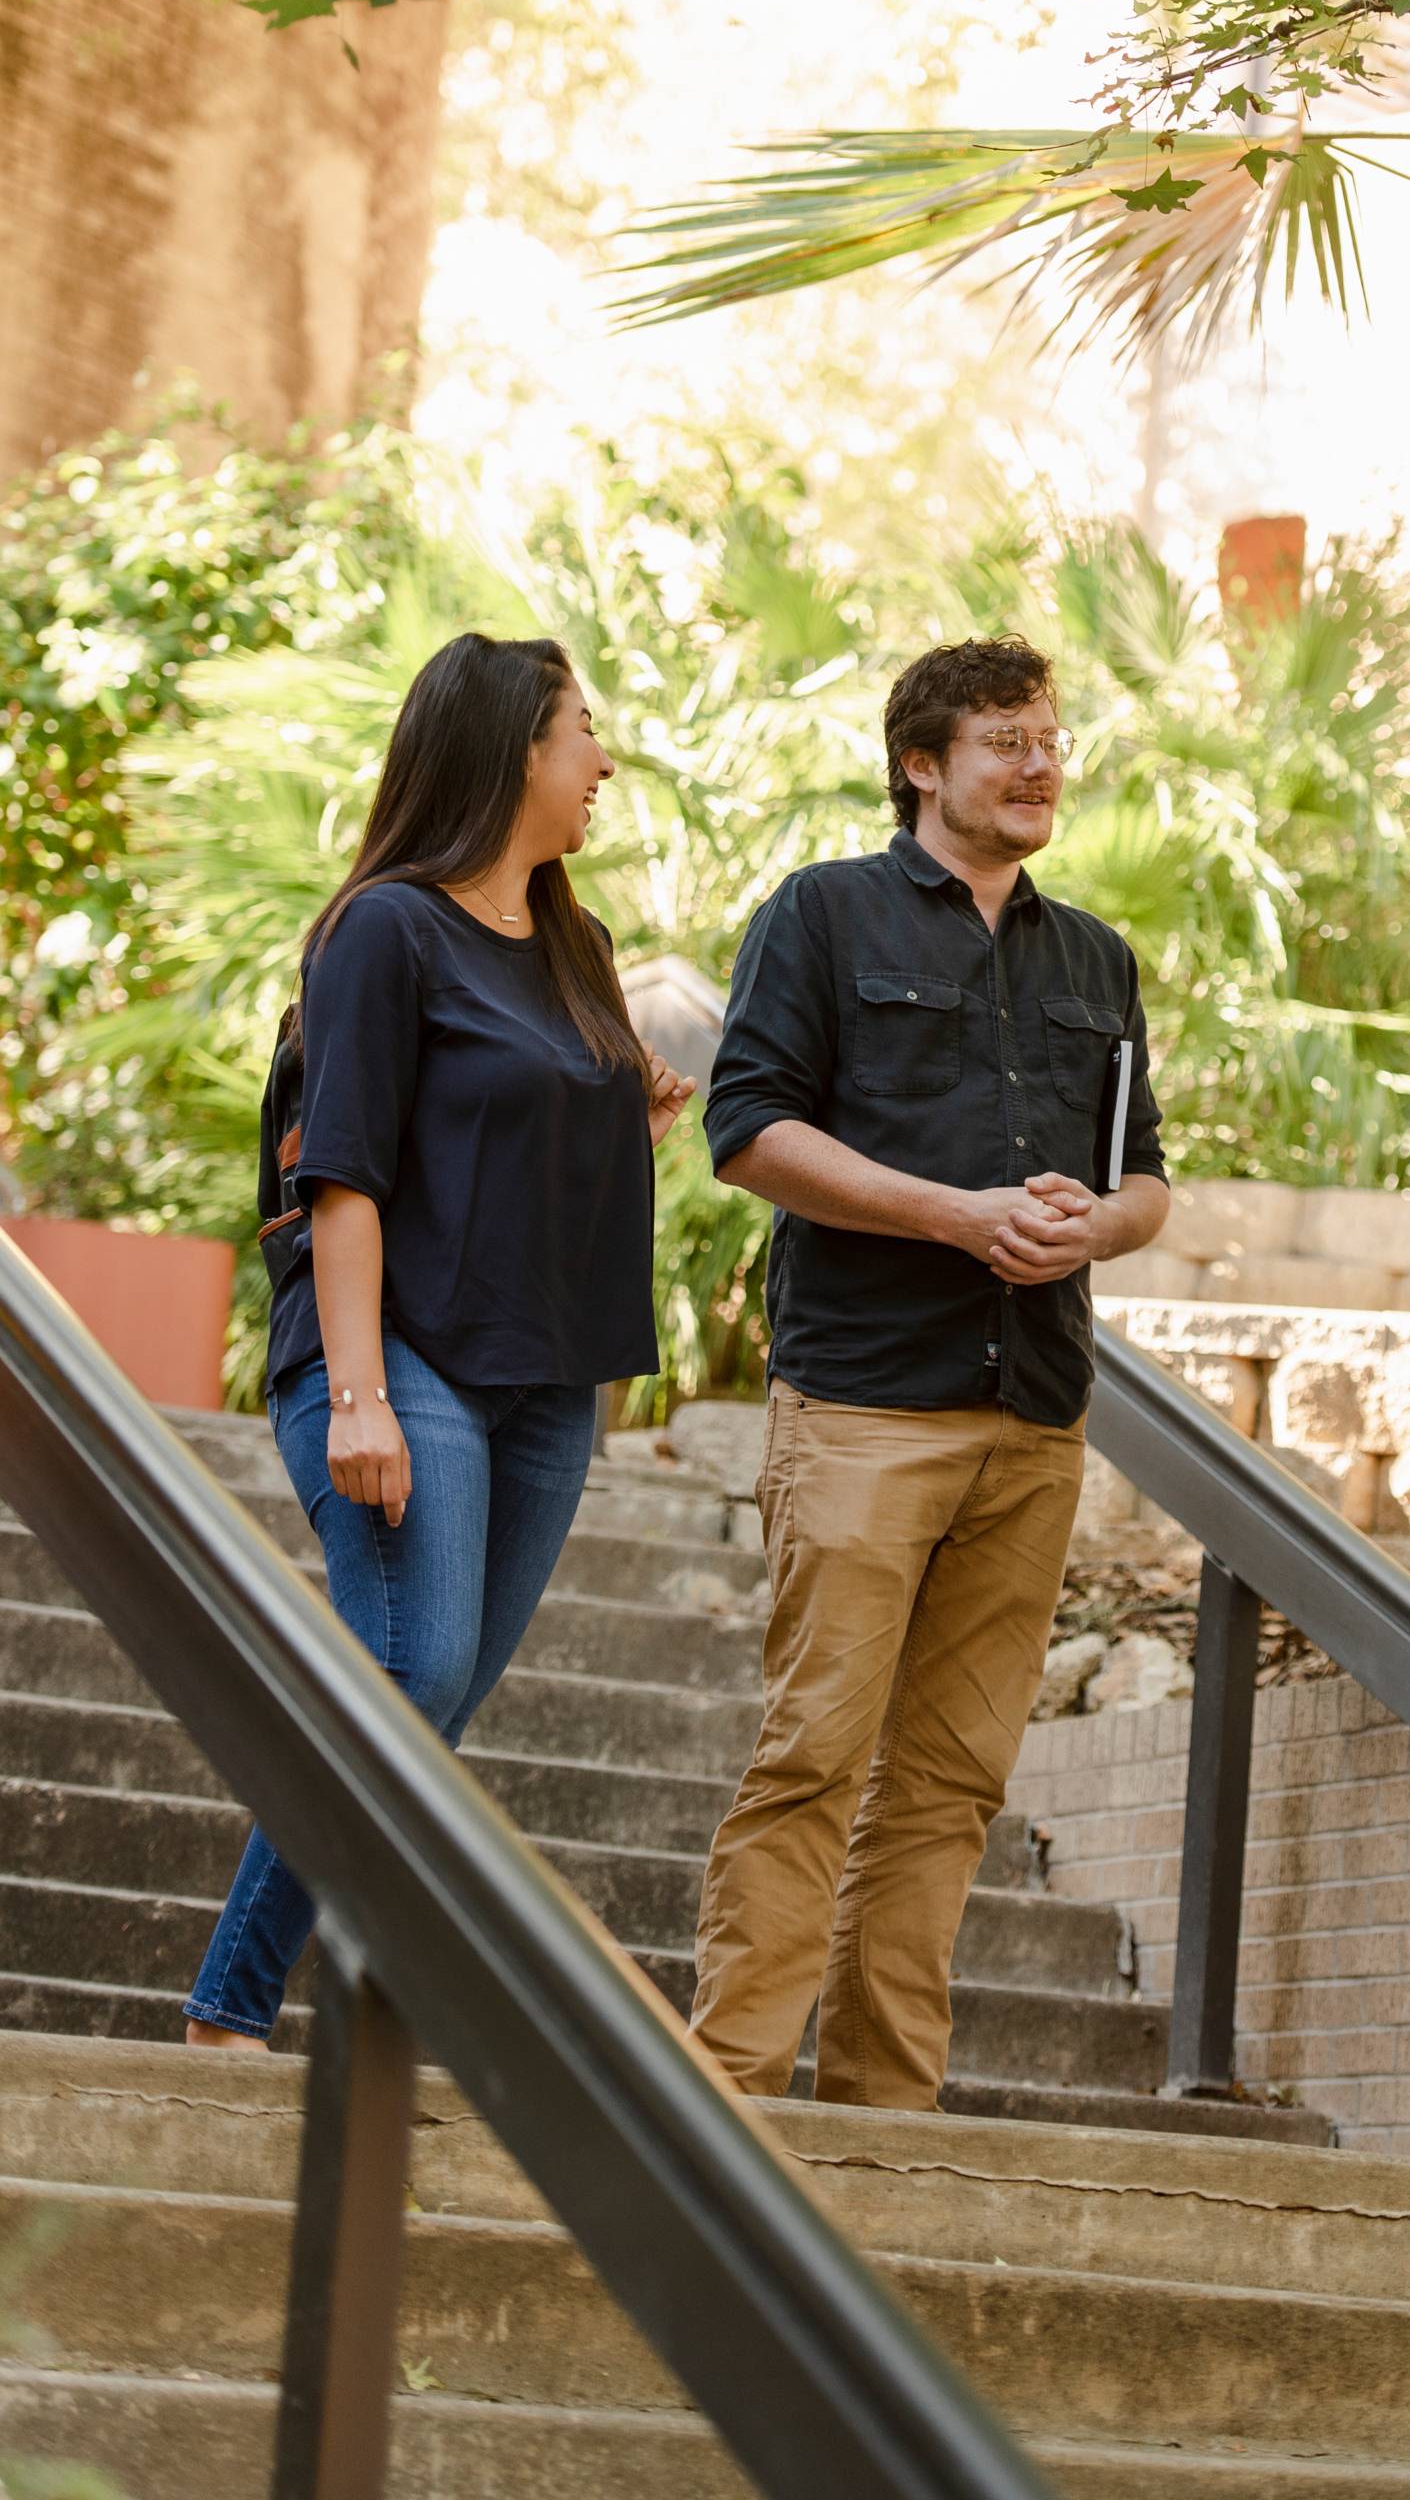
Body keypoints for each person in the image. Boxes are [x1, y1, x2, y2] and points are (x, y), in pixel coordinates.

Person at [184, 633, 691, 2048]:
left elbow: (513, 1136)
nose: (603, 761)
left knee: (434, 1690)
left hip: (546, 1382)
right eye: (582, 731)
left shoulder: (577, 947)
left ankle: (304, 1997)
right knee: (406, 1668)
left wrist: (618, 1112)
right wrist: (357, 1398)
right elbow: (341, 1171)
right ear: (511, 751)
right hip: (398, 1353)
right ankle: (237, 2009)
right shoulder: (384, 930)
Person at [689, 635, 1171, 2107]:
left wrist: (1096, 1223)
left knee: (953, 1789)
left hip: (1032, 1415)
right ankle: (725, 2099)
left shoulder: (1096, 959)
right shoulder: (823, 918)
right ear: (922, 763)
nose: (1040, 766)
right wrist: (956, 1216)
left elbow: (1144, 1181)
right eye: (1005, 740)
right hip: (864, 1406)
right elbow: (748, 1131)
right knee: (814, 1758)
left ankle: (890, 2118)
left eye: (1052, 738)